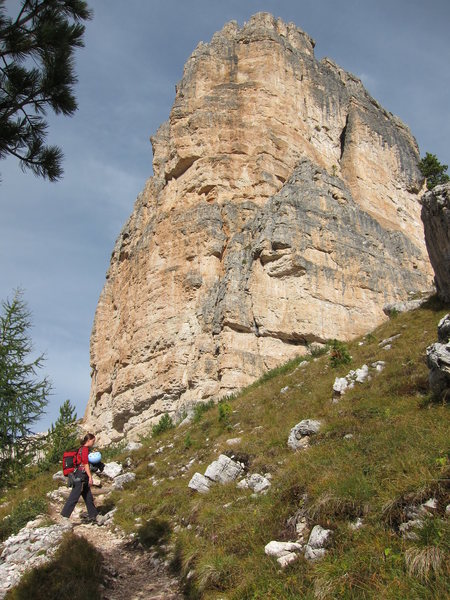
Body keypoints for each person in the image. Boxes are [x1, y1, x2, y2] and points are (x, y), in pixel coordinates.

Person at [61, 432, 104, 524]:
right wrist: (90, 477)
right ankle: (64, 517)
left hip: (81, 475)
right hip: (81, 476)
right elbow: (85, 464)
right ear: (88, 440)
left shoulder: (81, 449)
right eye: (93, 441)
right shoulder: (84, 450)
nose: (93, 443)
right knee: (74, 496)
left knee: (88, 497)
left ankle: (94, 515)